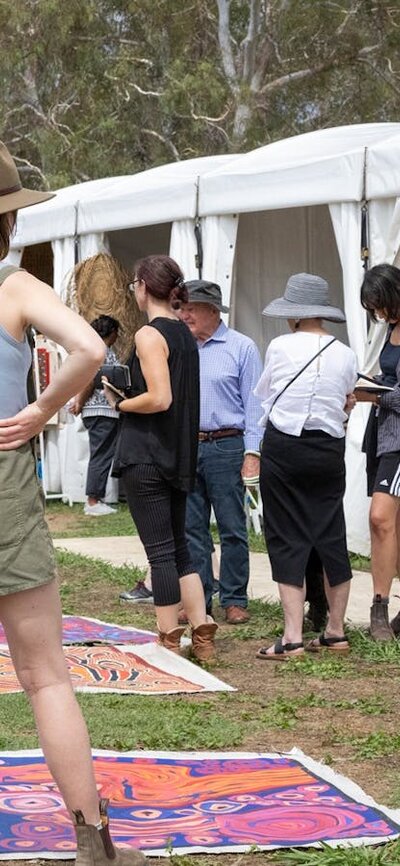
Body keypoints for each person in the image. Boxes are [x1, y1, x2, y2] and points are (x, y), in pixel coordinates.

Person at [0, 140, 146, 865]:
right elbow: (89, 348)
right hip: (2, 478)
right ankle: (94, 842)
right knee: (45, 675)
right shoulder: (15, 287)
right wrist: (40, 411)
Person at [104, 255, 217, 661]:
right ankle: (202, 633)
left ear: (142, 286)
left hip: (147, 454)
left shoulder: (150, 334)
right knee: (180, 550)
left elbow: (160, 397)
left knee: (160, 553)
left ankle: (168, 637)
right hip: (178, 453)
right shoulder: (185, 333)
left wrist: (121, 403)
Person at [254, 273, 357, 659]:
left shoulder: (280, 346)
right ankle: (335, 631)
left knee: (286, 534)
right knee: (331, 533)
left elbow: (267, 393)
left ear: (295, 313)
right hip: (328, 449)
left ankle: (293, 636)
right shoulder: (345, 353)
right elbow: (346, 399)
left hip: (285, 447)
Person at [178, 280, 263, 624]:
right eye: (182, 308)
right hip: (188, 445)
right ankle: (200, 599)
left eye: (192, 309)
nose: (184, 315)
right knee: (192, 528)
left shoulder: (241, 347)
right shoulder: (180, 347)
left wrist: (252, 453)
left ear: (213, 311)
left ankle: (234, 598)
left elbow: (255, 406)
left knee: (231, 527)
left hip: (227, 444)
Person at [359, 263, 400, 640]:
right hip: (387, 435)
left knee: (381, 517)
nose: (378, 314)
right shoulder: (390, 329)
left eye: (380, 305)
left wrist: (374, 394)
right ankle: (381, 606)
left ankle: (381, 605)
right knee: (388, 523)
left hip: (397, 438)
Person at [70, 315, 120, 516]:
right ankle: (93, 500)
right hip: (101, 410)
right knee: (101, 454)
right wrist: (79, 402)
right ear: (111, 332)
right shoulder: (101, 351)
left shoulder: (95, 350)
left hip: (99, 411)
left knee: (101, 453)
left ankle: (96, 497)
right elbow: (91, 380)